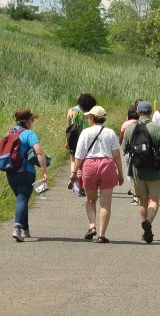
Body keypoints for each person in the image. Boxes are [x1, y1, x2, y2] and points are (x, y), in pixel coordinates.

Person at [121, 100, 160, 244]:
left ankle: (145, 229)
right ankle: (148, 221)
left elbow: (125, 149)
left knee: (142, 200)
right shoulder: (157, 128)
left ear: (137, 112)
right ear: (150, 113)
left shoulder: (130, 128)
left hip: (137, 170)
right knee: (154, 199)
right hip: (154, 169)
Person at [73, 105, 124, 243]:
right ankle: (102, 235)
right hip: (107, 165)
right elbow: (117, 155)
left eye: (89, 117)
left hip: (89, 165)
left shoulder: (85, 133)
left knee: (90, 200)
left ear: (91, 117)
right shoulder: (110, 133)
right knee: (106, 203)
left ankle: (92, 225)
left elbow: (79, 156)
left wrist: (74, 172)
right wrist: (120, 173)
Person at [6, 108, 49, 242]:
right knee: (23, 198)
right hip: (26, 171)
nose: (32, 122)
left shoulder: (9, 133)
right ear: (25, 121)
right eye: (31, 120)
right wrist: (44, 170)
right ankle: (17, 229)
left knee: (21, 199)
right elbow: (39, 152)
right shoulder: (29, 134)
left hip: (11, 172)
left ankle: (25, 229)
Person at [66, 93, 96, 197]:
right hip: (87, 139)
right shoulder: (90, 113)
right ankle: (82, 185)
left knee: (74, 160)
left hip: (74, 138)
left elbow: (68, 128)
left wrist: (67, 141)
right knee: (84, 162)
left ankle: (75, 180)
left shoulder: (71, 111)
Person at [119, 104, 140, 204]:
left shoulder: (126, 124)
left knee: (129, 173)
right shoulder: (142, 123)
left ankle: (134, 192)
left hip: (129, 152)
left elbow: (122, 138)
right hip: (141, 152)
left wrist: (122, 148)